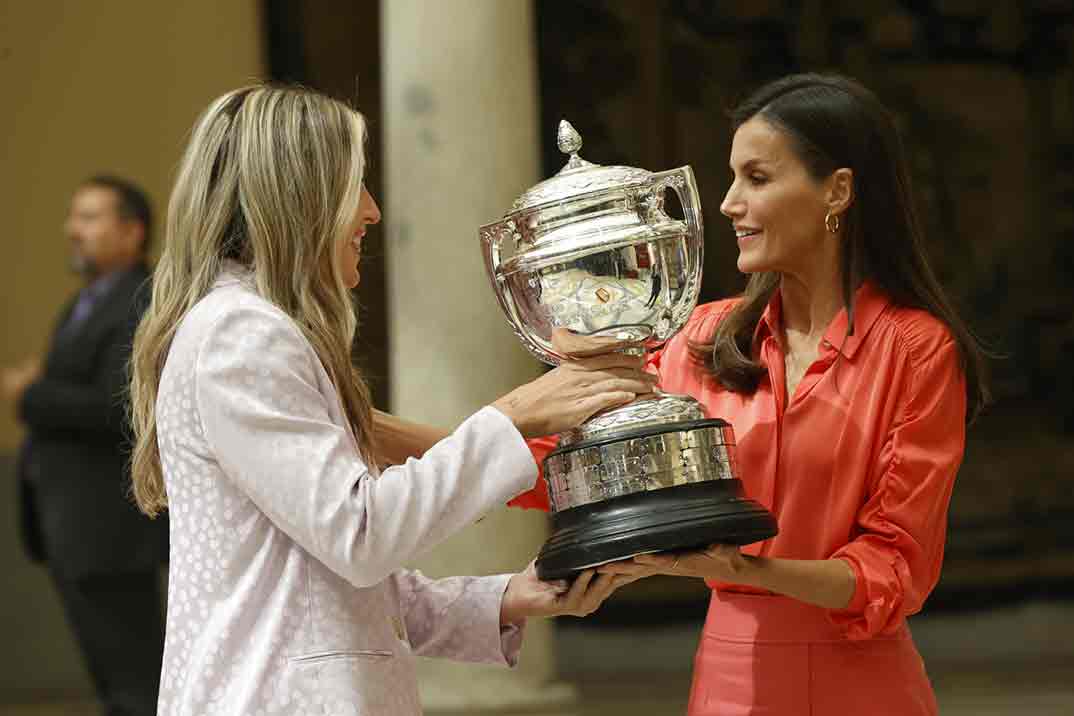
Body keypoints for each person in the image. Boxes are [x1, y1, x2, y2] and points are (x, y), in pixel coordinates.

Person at [127, 85, 656, 716]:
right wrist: (516, 416)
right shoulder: (243, 334)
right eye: (357, 185)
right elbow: (360, 535)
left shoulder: (245, 327)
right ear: (299, 198)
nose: (373, 211)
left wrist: (511, 596)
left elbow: (320, 584)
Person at [528, 74, 990, 714]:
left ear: (839, 190)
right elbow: (550, 463)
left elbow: (894, 568)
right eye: (731, 176)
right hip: (727, 678)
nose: (727, 203)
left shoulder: (915, 349)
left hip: (864, 685)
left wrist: (745, 570)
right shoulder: (699, 337)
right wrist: (382, 438)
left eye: (758, 178)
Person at [2, 176, 168, 716]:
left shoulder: (138, 300)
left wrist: (31, 393)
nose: (73, 230)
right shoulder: (87, 301)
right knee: (114, 682)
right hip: (76, 528)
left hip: (111, 534)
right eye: (74, 217)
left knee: (136, 685)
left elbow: (120, 407)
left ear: (132, 230)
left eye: (91, 218)